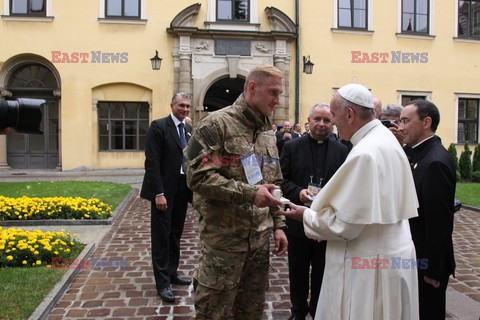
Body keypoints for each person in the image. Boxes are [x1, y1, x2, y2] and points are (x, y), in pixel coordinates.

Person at [282, 83, 419, 319]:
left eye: (333, 116)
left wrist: (304, 214)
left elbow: (344, 224)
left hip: (369, 263)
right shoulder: (384, 138)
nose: (332, 123)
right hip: (390, 252)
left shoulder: (366, 152)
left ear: (349, 114)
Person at [184, 64, 288, 320]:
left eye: (280, 94)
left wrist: (279, 225)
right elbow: (198, 176)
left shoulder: (267, 133)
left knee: (251, 312)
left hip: (259, 247)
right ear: (253, 87)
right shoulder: (215, 125)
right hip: (224, 244)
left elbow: (273, 181)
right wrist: (249, 193)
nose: (277, 100)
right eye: (273, 93)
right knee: (214, 313)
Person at [280, 103, 348, 320]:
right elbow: (281, 180)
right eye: (317, 119)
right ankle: (298, 311)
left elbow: (346, 186)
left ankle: (319, 310)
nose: (322, 124)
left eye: (327, 120)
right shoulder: (292, 147)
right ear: (308, 121)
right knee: (297, 270)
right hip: (298, 222)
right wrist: (298, 192)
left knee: (323, 271)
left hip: (326, 223)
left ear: (333, 123)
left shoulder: (342, 151)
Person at [399, 100, 456, 319]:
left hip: (426, 265)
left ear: (426, 122)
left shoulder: (435, 163)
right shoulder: (416, 153)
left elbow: (439, 225)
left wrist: (432, 270)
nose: (401, 126)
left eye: (406, 120)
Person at [140, 92, 193, 303]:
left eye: (188, 106)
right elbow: (152, 163)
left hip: (181, 190)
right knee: (161, 237)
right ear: (172, 105)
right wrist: (158, 194)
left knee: (175, 234)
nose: (185, 109)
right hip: (163, 192)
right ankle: (162, 283)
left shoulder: (188, 130)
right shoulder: (158, 127)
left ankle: (172, 273)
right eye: (181, 105)